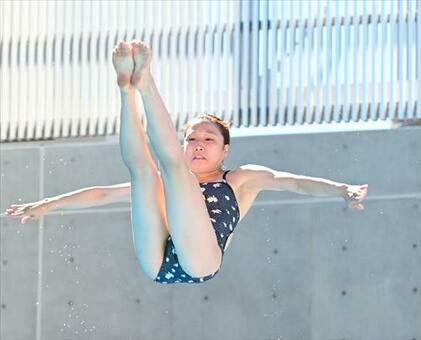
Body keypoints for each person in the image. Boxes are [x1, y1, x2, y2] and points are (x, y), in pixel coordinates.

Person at [3, 40, 369, 285]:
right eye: (191, 138)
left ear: (225, 150)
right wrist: (45, 206)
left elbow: (293, 182)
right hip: (157, 261)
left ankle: (146, 85)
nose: (198, 145)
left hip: (201, 262)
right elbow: (101, 195)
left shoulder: (241, 179)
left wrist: (341, 189)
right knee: (145, 173)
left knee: (173, 170)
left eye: (208, 139)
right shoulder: (171, 178)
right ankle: (127, 91)